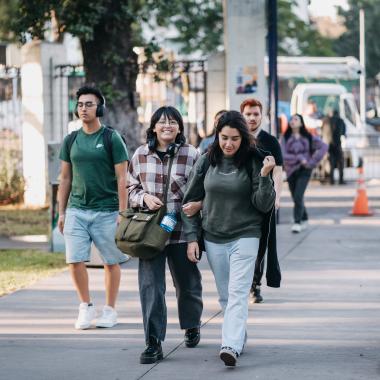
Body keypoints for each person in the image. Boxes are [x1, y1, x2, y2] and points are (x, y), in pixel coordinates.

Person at [182, 111, 276, 367]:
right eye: (224, 138)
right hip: (214, 237)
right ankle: (238, 335)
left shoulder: (253, 161)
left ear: (243, 138)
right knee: (226, 295)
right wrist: (192, 237)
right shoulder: (205, 161)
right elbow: (189, 202)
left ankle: (230, 346)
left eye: (235, 138)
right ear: (217, 136)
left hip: (246, 234)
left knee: (237, 293)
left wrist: (266, 175)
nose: (229, 144)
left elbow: (264, 204)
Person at [127, 106, 203, 365]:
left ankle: (192, 324)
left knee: (188, 284)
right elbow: (130, 187)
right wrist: (143, 197)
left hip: (182, 231)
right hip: (150, 234)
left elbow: (200, 193)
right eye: (161, 122)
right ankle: (153, 341)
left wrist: (195, 236)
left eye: (172, 122)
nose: (166, 126)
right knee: (151, 288)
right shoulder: (140, 155)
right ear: (153, 127)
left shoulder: (192, 154)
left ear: (180, 127)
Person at [58, 85, 129, 330]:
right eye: (80, 104)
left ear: (100, 108)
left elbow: (123, 178)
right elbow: (65, 178)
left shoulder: (111, 138)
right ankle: (86, 306)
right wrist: (62, 211)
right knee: (74, 259)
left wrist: (123, 211)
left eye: (89, 104)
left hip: (108, 210)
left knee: (111, 261)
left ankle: (110, 310)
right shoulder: (71, 140)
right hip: (77, 209)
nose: (84, 108)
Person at [240, 98, 283, 304]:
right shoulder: (236, 139)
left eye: (256, 114)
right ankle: (241, 282)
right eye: (248, 114)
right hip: (240, 203)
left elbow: (278, 171)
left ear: (262, 116)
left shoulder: (271, 141)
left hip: (264, 200)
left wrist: (277, 197)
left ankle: (254, 285)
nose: (252, 118)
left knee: (261, 245)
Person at [282, 114, 328, 233]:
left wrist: (311, 162)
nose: (292, 121)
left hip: (305, 170)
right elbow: (283, 155)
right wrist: (299, 157)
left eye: (296, 119)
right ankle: (305, 218)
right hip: (290, 170)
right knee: (296, 196)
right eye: (291, 119)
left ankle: (297, 222)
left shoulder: (308, 137)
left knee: (298, 195)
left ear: (301, 123)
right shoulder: (285, 137)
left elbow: (324, 146)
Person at [327, 110, 346, 185]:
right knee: (340, 162)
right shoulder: (340, 121)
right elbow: (343, 132)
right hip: (337, 144)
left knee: (331, 162)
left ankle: (331, 180)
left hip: (329, 144)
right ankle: (341, 180)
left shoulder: (327, 120)